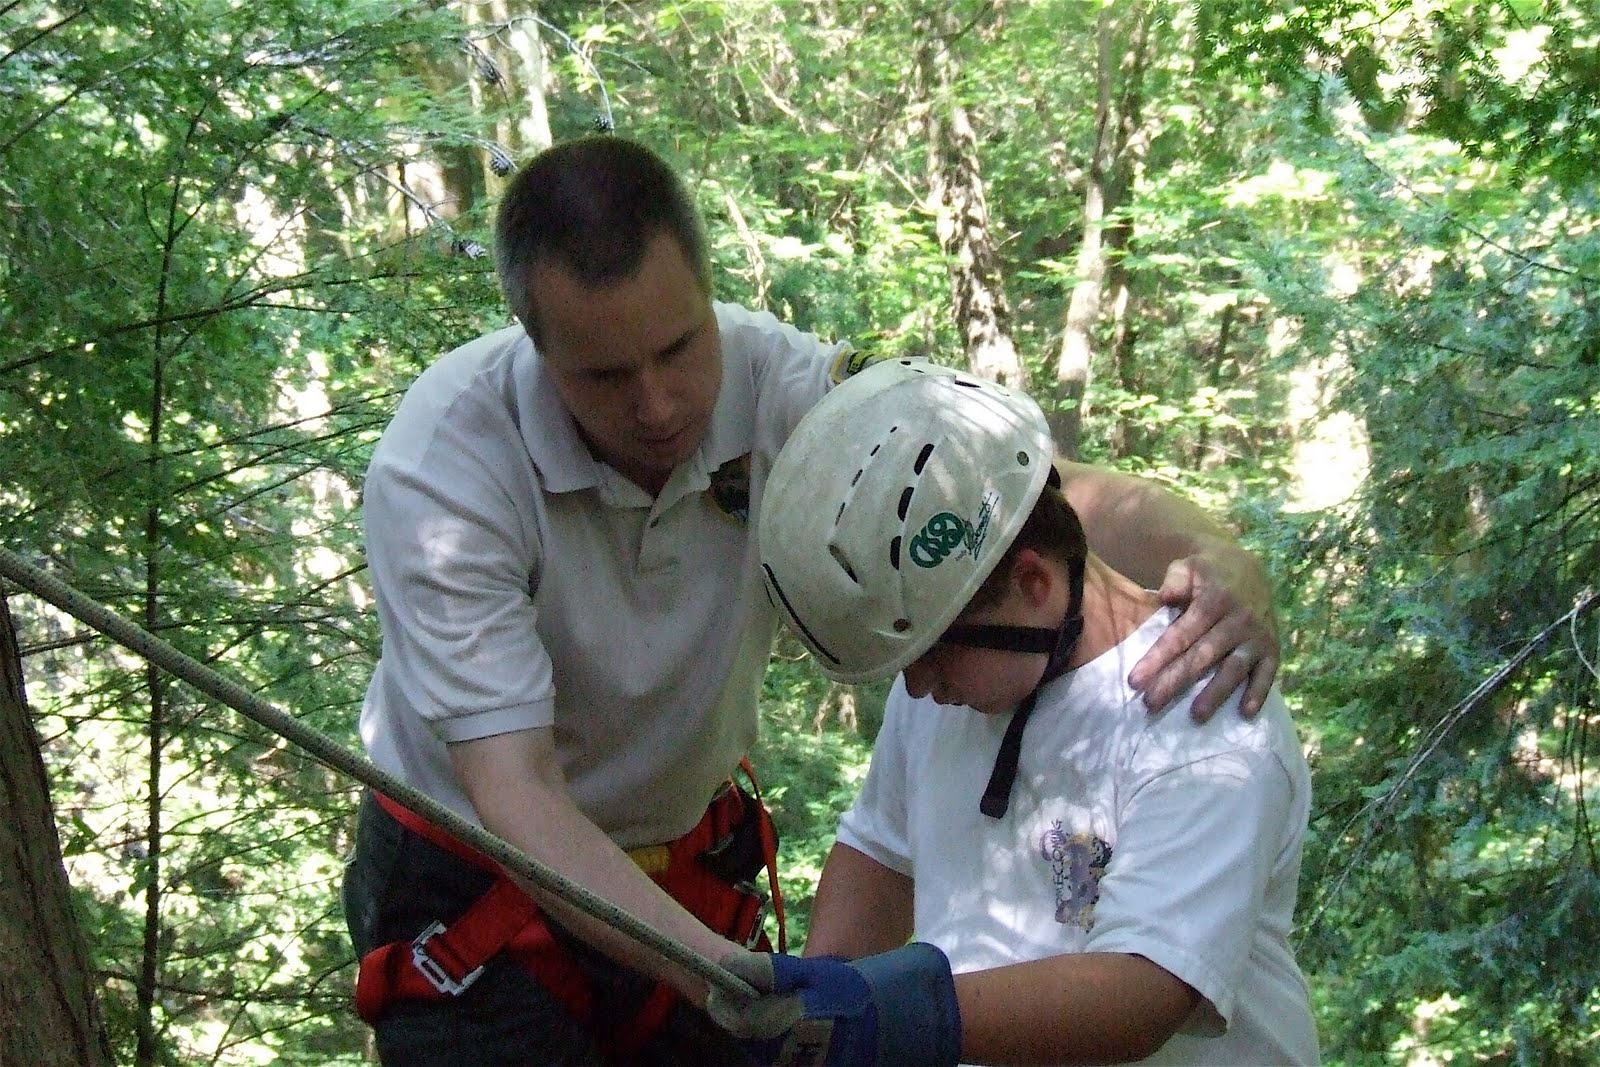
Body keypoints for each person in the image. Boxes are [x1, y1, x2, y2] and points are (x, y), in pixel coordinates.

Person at [341, 133, 1285, 1065]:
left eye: (680, 347)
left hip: (677, 852)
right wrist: (737, 976)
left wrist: (1216, 557)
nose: (661, 402)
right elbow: (516, 792)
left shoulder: (784, 385)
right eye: (605, 375)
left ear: (711, 297)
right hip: (475, 881)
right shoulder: (447, 474)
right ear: (535, 347)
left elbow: (1013, 488)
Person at [720, 358, 1317, 1065]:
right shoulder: (959, 661)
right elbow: (881, 852)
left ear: (1032, 582)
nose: (914, 688)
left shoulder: (1204, 713)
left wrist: (890, 1012)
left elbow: (1142, 991)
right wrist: (819, 1002)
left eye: (932, 657)